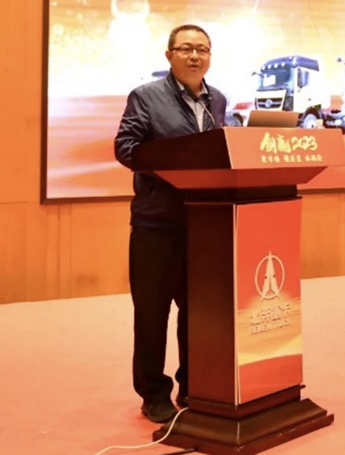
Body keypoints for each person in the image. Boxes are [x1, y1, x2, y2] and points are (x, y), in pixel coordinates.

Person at [114, 24, 228, 424]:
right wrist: (177, 166)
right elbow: (126, 148)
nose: (195, 56)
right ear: (169, 56)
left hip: (204, 222)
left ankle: (193, 384)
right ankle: (153, 393)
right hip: (157, 222)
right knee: (152, 312)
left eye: (202, 49)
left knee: (197, 311)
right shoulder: (146, 96)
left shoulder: (218, 99)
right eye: (186, 49)